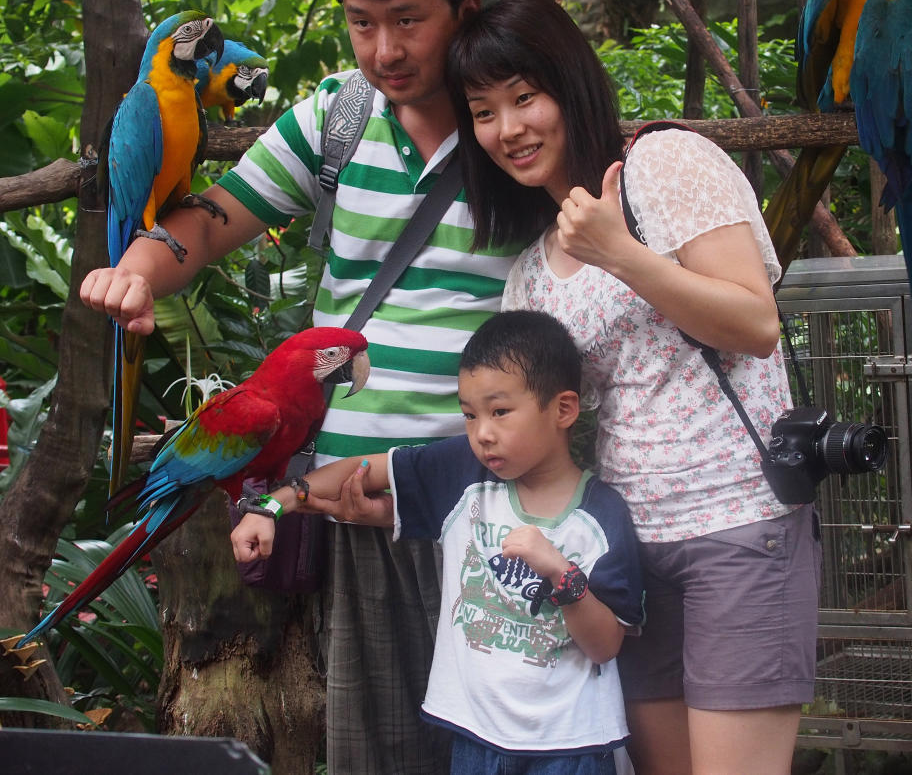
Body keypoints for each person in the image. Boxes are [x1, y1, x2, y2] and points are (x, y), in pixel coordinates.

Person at [78, 0, 515, 774]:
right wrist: (139, 272)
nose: (384, 51)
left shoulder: (518, 119)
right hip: (354, 504)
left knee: (506, 745)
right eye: (362, 24)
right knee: (381, 753)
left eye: (407, 21)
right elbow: (212, 216)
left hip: (492, 503)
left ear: (463, 11)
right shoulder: (337, 116)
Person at [445, 0, 822, 775]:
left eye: (524, 97)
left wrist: (622, 254)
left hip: (738, 525)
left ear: (570, 83)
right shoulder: (530, 273)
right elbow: (531, 431)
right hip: (623, 555)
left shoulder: (666, 162)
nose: (508, 128)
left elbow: (755, 323)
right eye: (483, 111)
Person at [230, 310, 645, 775]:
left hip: (573, 745)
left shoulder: (601, 516)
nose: (482, 433)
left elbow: (605, 645)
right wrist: (272, 507)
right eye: (469, 415)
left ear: (564, 410)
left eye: (500, 412)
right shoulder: (463, 474)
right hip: (472, 734)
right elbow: (360, 471)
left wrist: (560, 574)